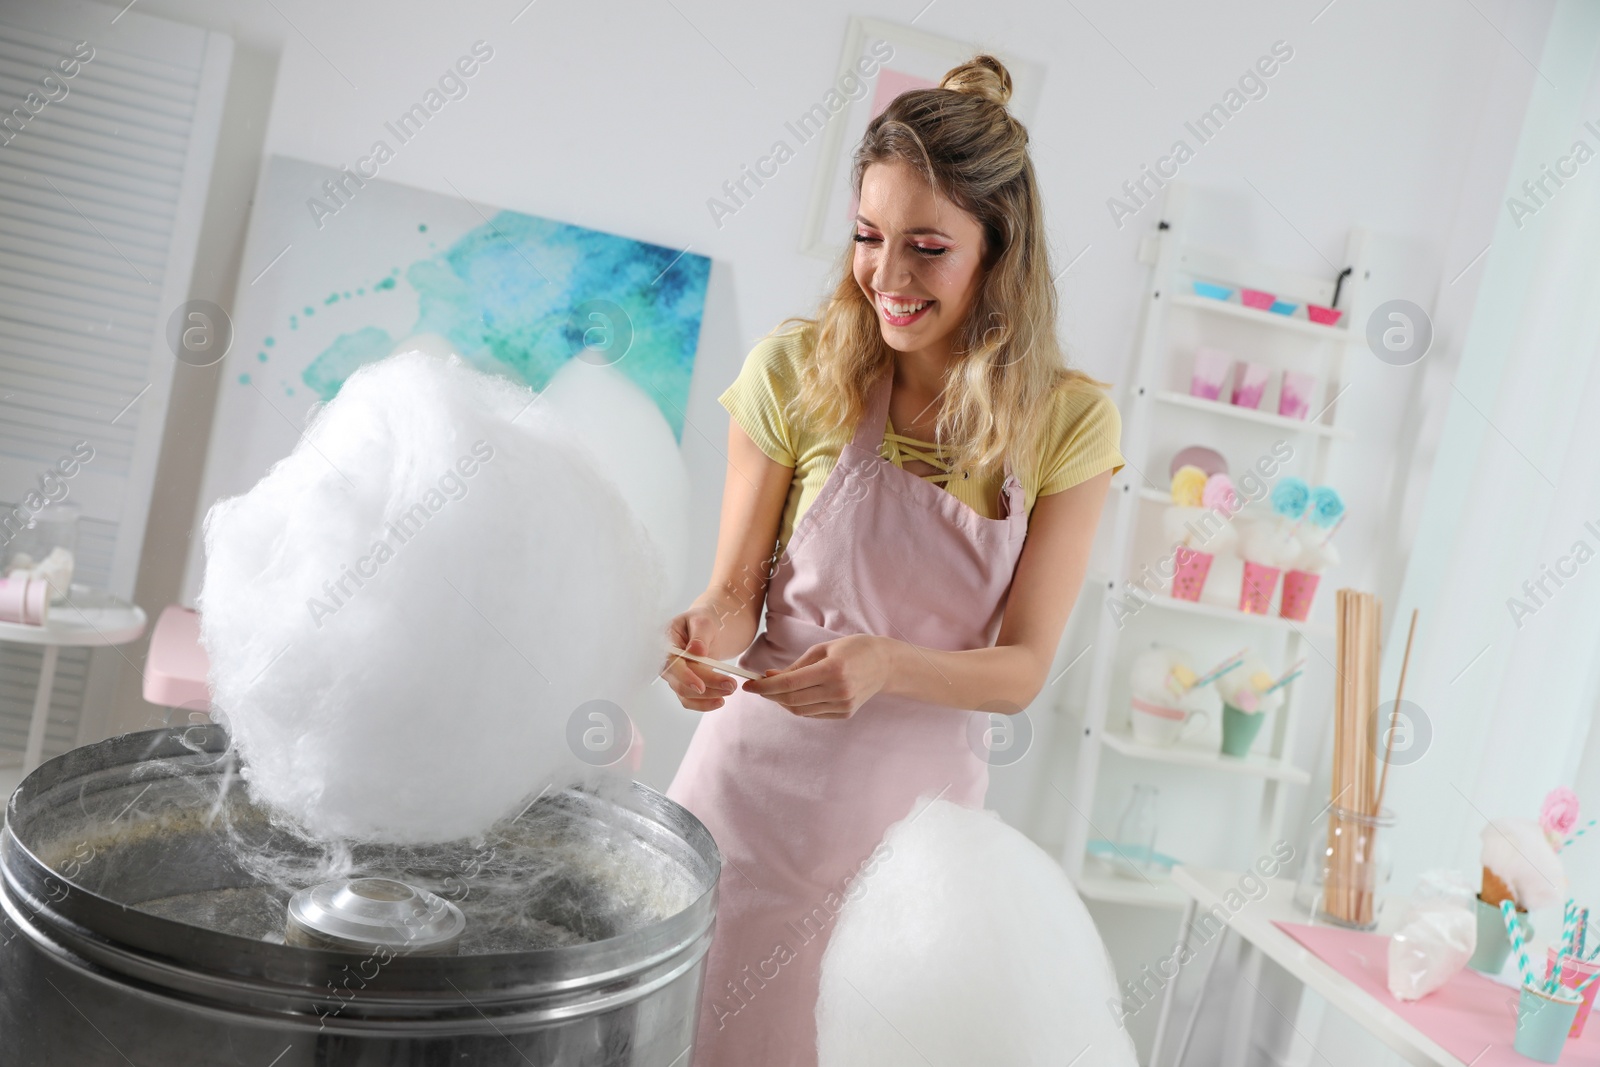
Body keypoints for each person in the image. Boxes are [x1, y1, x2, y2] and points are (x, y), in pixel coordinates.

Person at [661, 53, 1123, 1066]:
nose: (888, 277)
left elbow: (1021, 668)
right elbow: (740, 592)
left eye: (927, 247)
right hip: (741, 803)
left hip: (905, 855)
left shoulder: (1066, 424)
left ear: (998, 255)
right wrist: (704, 627)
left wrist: (885, 664)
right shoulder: (795, 368)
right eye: (870, 239)